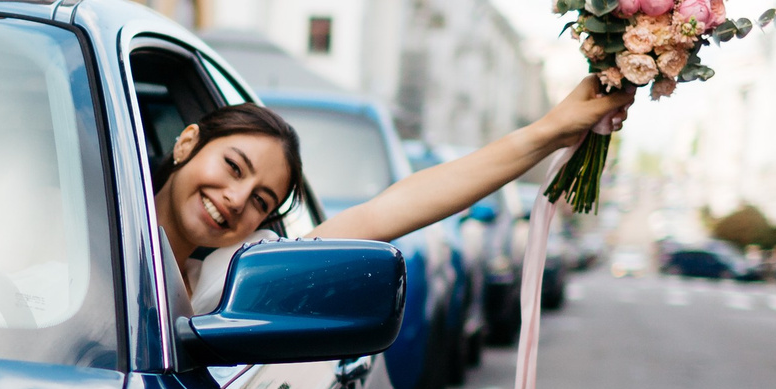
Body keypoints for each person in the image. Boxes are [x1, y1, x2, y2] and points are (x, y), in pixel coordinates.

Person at [155, 79, 633, 313]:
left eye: (262, 201)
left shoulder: (230, 278)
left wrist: (548, 131)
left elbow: (386, 212)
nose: (237, 199)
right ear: (187, 143)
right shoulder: (106, 231)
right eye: (233, 167)